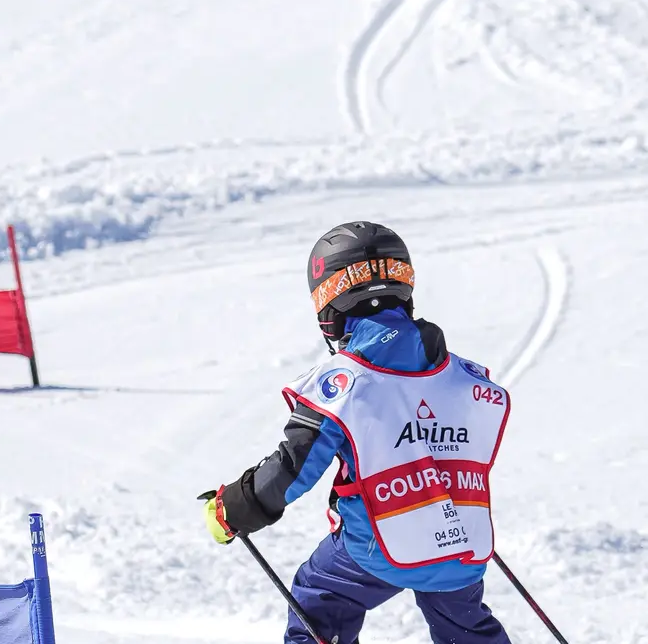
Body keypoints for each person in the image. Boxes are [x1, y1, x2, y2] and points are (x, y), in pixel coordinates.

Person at [204, 222, 515, 644]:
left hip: (378, 545)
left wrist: (238, 506)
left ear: (329, 305)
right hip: (461, 540)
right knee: (464, 624)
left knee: (321, 595)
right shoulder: (462, 375)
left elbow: (295, 466)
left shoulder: (344, 382)